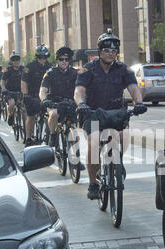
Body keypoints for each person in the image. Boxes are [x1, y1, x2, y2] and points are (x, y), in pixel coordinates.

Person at [74, 29, 147, 200]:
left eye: (114, 50)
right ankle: (93, 183)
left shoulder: (123, 69)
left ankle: (118, 161)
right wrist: (81, 103)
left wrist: (139, 103)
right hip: (93, 114)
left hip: (116, 114)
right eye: (107, 50)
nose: (111, 53)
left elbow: (133, 88)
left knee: (124, 136)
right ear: (99, 51)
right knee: (93, 143)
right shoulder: (88, 69)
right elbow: (79, 90)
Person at [39, 46, 78, 147]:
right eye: (61, 59)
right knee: (54, 114)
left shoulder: (75, 73)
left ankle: (75, 158)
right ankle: (53, 135)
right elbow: (42, 91)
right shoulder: (50, 73)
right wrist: (44, 100)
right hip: (54, 103)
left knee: (73, 126)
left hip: (70, 103)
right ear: (57, 60)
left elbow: (82, 89)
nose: (64, 62)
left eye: (66, 59)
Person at [21, 44, 52, 147]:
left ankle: (51, 136)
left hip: (46, 96)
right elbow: (24, 82)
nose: (42, 59)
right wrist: (25, 95)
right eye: (40, 57)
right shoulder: (29, 67)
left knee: (51, 114)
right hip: (32, 96)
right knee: (31, 117)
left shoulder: (50, 67)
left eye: (45, 57)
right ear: (37, 57)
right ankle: (29, 138)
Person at [1, 51, 24, 126]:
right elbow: (2, 80)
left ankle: (26, 126)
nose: (16, 61)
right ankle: (10, 115)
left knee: (25, 108)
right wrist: (3, 88)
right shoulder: (8, 70)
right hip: (10, 92)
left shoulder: (23, 69)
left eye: (17, 59)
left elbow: (30, 79)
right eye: (14, 60)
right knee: (12, 104)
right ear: (11, 61)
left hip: (21, 92)